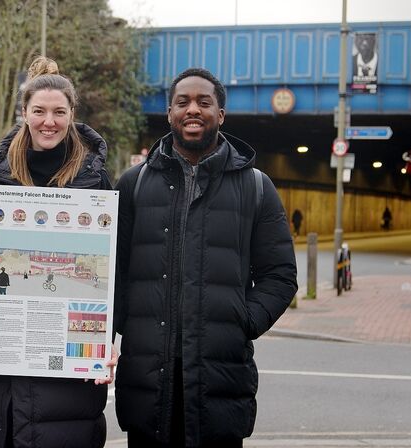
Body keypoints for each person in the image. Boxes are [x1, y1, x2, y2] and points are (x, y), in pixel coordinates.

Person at [113, 67, 297, 447]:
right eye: (183, 102)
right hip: (147, 383)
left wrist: (242, 320)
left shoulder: (256, 187)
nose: (192, 109)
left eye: (203, 102)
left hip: (220, 385)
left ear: (221, 115)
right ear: (169, 113)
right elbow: (107, 267)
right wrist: (124, 321)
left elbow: (279, 275)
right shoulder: (133, 184)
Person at [0, 56, 115, 448]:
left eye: (58, 112)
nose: (49, 121)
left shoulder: (96, 181)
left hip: (67, 368)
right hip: (3, 352)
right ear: (24, 113)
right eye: (39, 111)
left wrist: (107, 345)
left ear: (72, 114)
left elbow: (114, 268)